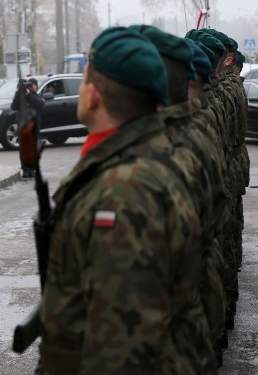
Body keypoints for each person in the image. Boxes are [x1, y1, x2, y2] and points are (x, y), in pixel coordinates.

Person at [39, 27, 207, 373]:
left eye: (85, 79)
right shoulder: (143, 158)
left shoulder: (124, 192)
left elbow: (122, 351)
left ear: (94, 95)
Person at [11, 77, 44, 178]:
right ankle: (25, 169)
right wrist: (17, 93)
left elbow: (40, 104)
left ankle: (32, 169)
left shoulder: (35, 96)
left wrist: (29, 94)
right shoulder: (20, 97)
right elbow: (13, 106)